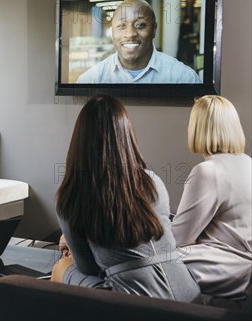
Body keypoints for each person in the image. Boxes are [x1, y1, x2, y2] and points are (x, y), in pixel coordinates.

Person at [51, 95, 201, 303]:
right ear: (127, 135)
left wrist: (71, 248)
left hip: (138, 305)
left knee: (61, 268)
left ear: (80, 140)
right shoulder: (152, 181)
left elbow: (88, 268)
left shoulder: (72, 196)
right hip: (189, 296)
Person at [172, 95, 251, 300]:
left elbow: (179, 239)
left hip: (223, 268)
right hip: (243, 268)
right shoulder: (247, 163)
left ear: (197, 128)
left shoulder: (208, 171)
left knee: (149, 260)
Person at [76, 0, 201, 83]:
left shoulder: (184, 78)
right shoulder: (90, 79)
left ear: (154, 30)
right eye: (121, 26)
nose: (130, 34)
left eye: (140, 25)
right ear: (112, 31)